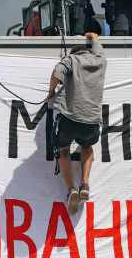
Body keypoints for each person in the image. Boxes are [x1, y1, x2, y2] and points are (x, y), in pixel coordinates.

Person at [45, 32, 106, 214]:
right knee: (87, 148)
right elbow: (98, 47)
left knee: (63, 150)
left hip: (70, 119)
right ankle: (85, 184)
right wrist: (92, 37)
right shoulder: (100, 61)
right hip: (92, 121)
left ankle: (71, 189)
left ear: (74, 53)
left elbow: (57, 73)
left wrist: (51, 92)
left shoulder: (71, 59)